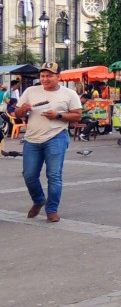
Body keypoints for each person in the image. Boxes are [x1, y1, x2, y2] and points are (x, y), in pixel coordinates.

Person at [11, 62, 82, 223]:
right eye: (42, 76)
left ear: (58, 77)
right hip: (32, 138)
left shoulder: (69, 94)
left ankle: (52, 209)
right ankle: (38, 200)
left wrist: (58, 115)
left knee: (54, 175)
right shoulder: (30, 91)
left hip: (56, 137)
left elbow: (77, 115)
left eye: (49, 75)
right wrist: (23, 110)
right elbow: (17, 112)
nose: (45, 79)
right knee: (29, 175)